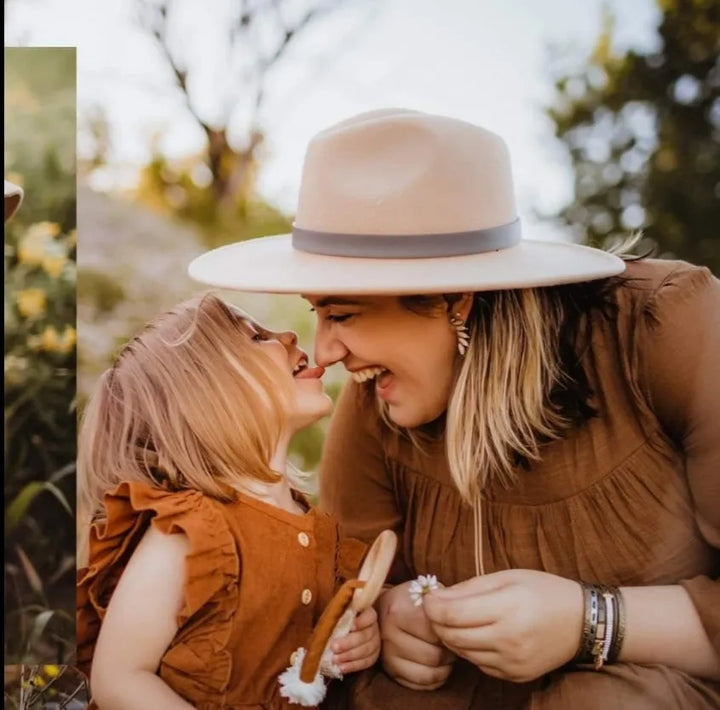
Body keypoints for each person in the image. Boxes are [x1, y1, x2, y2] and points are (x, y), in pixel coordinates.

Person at [187, 108, 720, 709]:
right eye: (318, 312)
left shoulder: (666, 331)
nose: (326, 353)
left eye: (344, 314)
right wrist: (388, 614)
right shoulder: (379, 401)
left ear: (456, 300)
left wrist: (592, 622)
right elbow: (343, 583)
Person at [75, 292, 383, 709]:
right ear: (207, 396)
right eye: (257, 338)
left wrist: (355, 640)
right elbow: (119, 679)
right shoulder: (190, 530)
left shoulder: (310, 527)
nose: (290, 334)